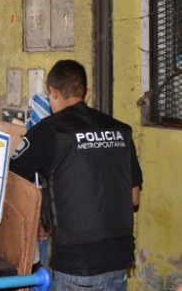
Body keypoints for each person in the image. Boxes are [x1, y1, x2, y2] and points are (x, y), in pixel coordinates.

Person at [10, 60, 142, 291]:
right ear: (86, 93)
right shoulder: (121, 130)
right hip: (119, 259)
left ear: (52, 91)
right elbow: (134, 198)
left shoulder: (47, 131)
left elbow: (12, 181)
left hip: (75, 262)